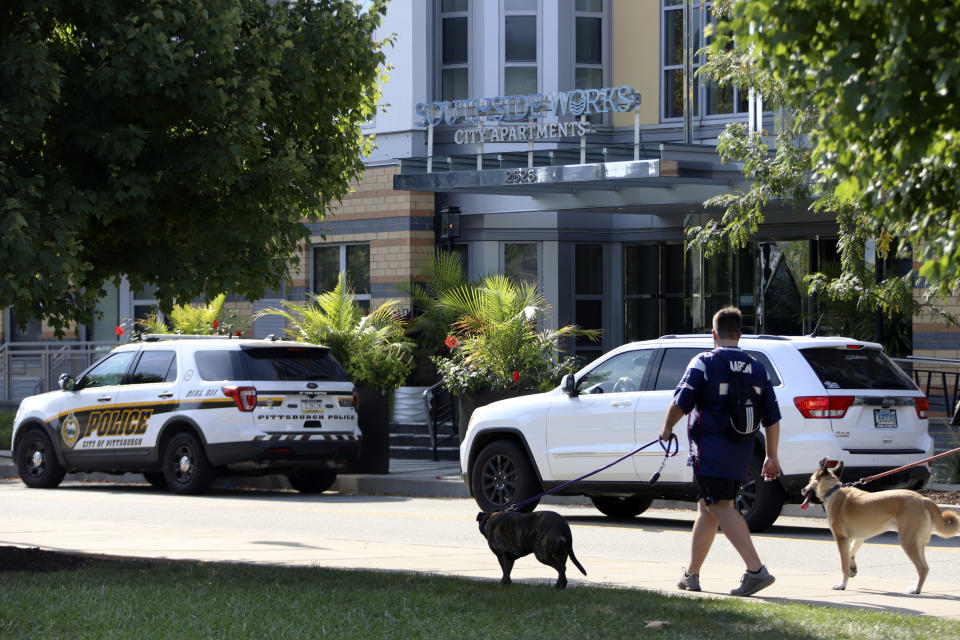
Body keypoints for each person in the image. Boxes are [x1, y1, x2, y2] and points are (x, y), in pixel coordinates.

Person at [659, 306, 782, 597]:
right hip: (740, 452)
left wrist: (666, 429)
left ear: (713, 334)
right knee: (708, 507)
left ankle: (756, 571)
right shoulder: (757, 367)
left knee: (721, 507)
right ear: (740, 334)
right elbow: (773, 417)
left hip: (710, 450)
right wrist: (771, 455)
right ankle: (691, 574)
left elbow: (682, 401)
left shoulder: (704, 362)